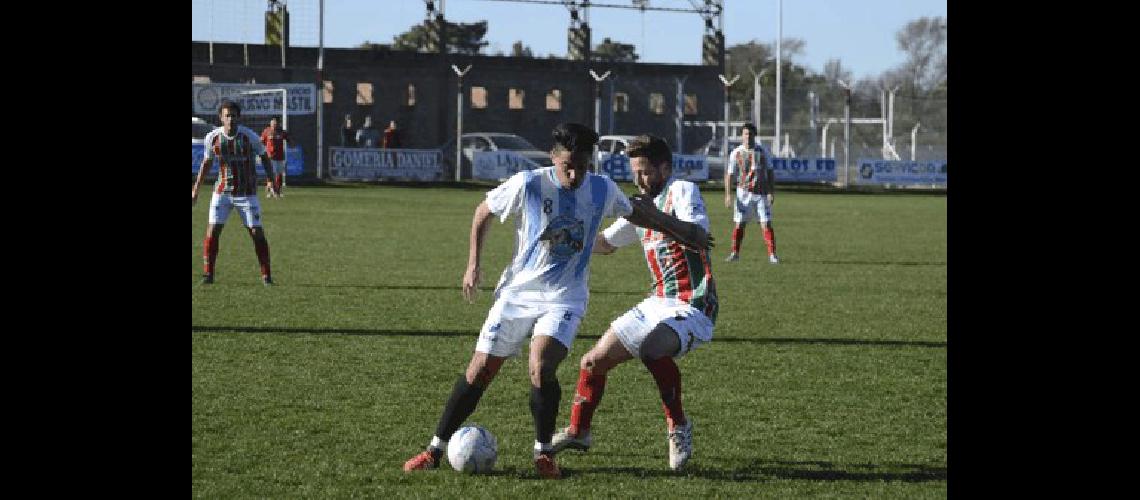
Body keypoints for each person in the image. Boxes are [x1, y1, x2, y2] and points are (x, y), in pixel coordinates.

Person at [402, 123, 711, 479]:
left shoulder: (602, 188)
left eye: (583, 165)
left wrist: (687, 232)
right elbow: (482, 212)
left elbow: (639, 214)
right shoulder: (529, 183)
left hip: (566, 296)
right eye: (568, 166)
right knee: (481, 368)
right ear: (553, 159)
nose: (576, 174)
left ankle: (544, 453)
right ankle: (434, 450)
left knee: (541, 364)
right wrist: (473, 265)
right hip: (518, 293)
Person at [550, 135, 717, 471]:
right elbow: (607, 243)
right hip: (658, 302)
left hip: (693, 303)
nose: (640, 179)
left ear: (665, 168)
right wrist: (559, 237)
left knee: (653, 348)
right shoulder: (639, 207)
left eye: (646, 172)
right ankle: (579, 430)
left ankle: (679, 426)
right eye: (635, 173)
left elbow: (699, 237)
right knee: (592, 362)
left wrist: (653, 217)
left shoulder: (682, 191)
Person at [192, 100, 279, 286]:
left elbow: (264, 156)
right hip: (222, 192)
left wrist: (271, 179)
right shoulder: (213, 137)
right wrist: (196, 189)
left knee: (257, 232)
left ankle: (266, 276)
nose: (230, 119)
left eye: (233, 115)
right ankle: (208, 274)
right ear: (221, 118)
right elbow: (206, 164)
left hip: (246, 193)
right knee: (213, 231)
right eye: (227, 115)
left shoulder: (249, 137)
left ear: (239, 117)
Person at [723, 123, 779, 263]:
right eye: (745, 134)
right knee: (739, 224)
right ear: (742, 136)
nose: (748, 137)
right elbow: (729, 175)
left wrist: (771, 192)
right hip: (743, 194)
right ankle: (735, 254)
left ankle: (772, 255)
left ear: (755, 135)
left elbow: (770, 171)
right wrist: (728, 195)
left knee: (766, 223)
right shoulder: (736, 153)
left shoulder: (763, 151)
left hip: (761, 194)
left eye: (750, 134)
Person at [260, 116, 288, 197]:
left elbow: (288, 138)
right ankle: (272, 190)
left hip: (280, 156)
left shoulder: (282, 132)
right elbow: (261, 141)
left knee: (279, 174)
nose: (274, 125)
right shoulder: (266, 131)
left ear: (278, 124)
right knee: (272, 174)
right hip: (270, 156)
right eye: (272, 123)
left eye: (275, 123)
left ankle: (277, 190)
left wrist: (291, 141)